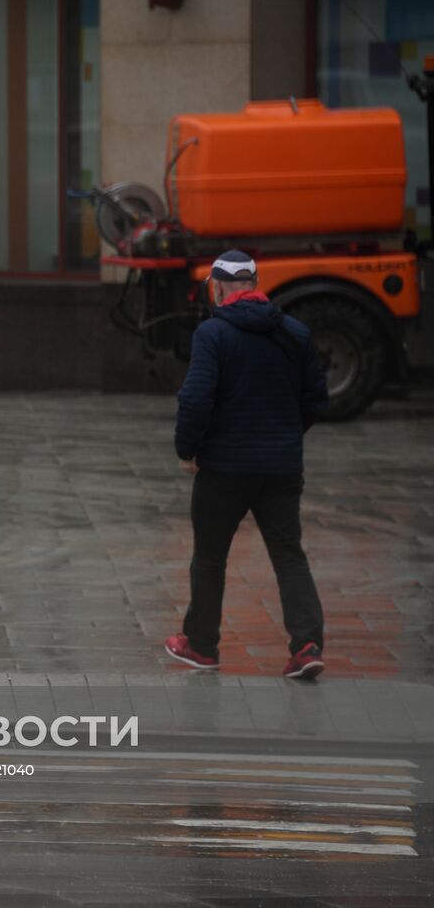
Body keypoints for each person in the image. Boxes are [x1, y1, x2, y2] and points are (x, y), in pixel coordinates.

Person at [166, 251, 329, 679]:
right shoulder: (294, 333)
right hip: (281, 468)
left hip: (223, 468)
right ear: (256, 285)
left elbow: (196, 398)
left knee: (210, 558)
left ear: (218, 288)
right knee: (289, 555)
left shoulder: (213, 334)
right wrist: (285, 437)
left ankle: (202, 647)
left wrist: (188, 450)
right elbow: (316, 398)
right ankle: (307, 645)